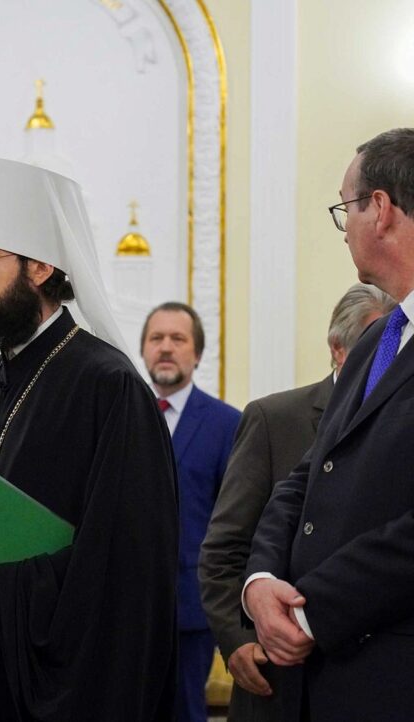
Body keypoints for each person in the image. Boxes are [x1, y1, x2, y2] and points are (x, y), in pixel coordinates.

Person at [0, 158, 179, 721]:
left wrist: (4, 591)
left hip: (57, 690)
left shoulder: (109, 386)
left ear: (39, 268)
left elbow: (125, 569)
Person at [244, 128, 414, 721]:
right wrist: (261, 580)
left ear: (382, 210)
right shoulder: (377, 341)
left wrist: (312, 612)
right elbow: (310, 474)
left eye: (347, 209)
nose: (345, 230)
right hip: (320, 679)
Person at [200, 283, 393, 722]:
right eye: (374, 343)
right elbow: (225, 547)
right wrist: (237, 641)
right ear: (339, 349)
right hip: (278, 678)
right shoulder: (275, 419)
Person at [141, 301, 241, 722]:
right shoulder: (123, 414)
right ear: (143, 350)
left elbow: (235, 521)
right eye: (156, 339)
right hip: (128, 609)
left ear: (197, 353)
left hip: (191, 610)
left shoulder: (228, 424)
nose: (166, 348)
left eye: (177, 339)